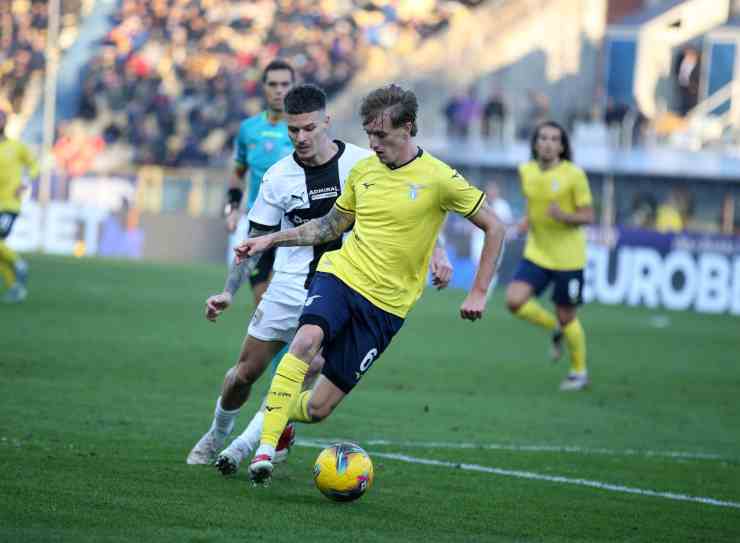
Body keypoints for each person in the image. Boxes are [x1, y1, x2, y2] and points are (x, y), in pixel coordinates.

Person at [234, 84, 506, 485]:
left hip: (386, 308)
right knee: (306, 341)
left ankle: (277, 420)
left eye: (381, 135)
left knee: (318, 409)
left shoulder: (439, 178)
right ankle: (261, 452)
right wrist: (270, 239)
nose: (373, 144)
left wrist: (479, 291)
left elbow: (495, 227)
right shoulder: (363, 171)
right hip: (341, 275)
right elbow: (330, 226)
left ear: (408, 128)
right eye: (369, 134)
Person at [186, 85, 455, 472]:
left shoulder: (365, 161)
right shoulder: (279, 177)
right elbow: (254, 241)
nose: (301, 137)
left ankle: (247, 447)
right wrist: (229, 291)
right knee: (244, 374)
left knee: (309, 366)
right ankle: (217, 431)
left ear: (326, 121)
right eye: (293, 130)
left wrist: (438, 250)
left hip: (346, 284)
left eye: (309, 128)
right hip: (290, 283)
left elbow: (416, 204)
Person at [505, 121, 594, 391]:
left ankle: (579, 373)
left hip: (569, 258)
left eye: (554, 139)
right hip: (538, 253)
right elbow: (534, 205)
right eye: (543, 138)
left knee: (569, 316)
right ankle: (555, 327)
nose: (547, 143)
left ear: (562, 146)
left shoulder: (574, 175)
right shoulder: (526, 171)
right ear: (535, 143)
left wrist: (563, 216)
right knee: (514, 300)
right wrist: (524, 222)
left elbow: (588, 216)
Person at [226, 59, 295, 307]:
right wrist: (232, 210)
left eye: (285, 84)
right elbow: (238, 172)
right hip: (260, 223)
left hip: (294, 224)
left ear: (293, 87)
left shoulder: (303, 129)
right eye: (273, 84)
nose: (279, 90)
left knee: (289, 303)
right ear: (264, 87)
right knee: (263, 304)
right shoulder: (249, 129)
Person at [0, 109, 38, 303]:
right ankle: (16, 287)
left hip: (9, 205)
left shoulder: (16, 146)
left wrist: (25, 179)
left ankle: (19, 263)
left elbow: (35, 165)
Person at [469, 179, 514, 294]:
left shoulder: (503, 205)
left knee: (493, 265)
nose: (492, 191)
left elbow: (508, 223)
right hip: (479, 237)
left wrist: (506, 234)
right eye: (490, 189)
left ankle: (486, 290)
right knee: (478, 264)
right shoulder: (481, 202)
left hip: (497, 239)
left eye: (494, 189)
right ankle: (477, 290)